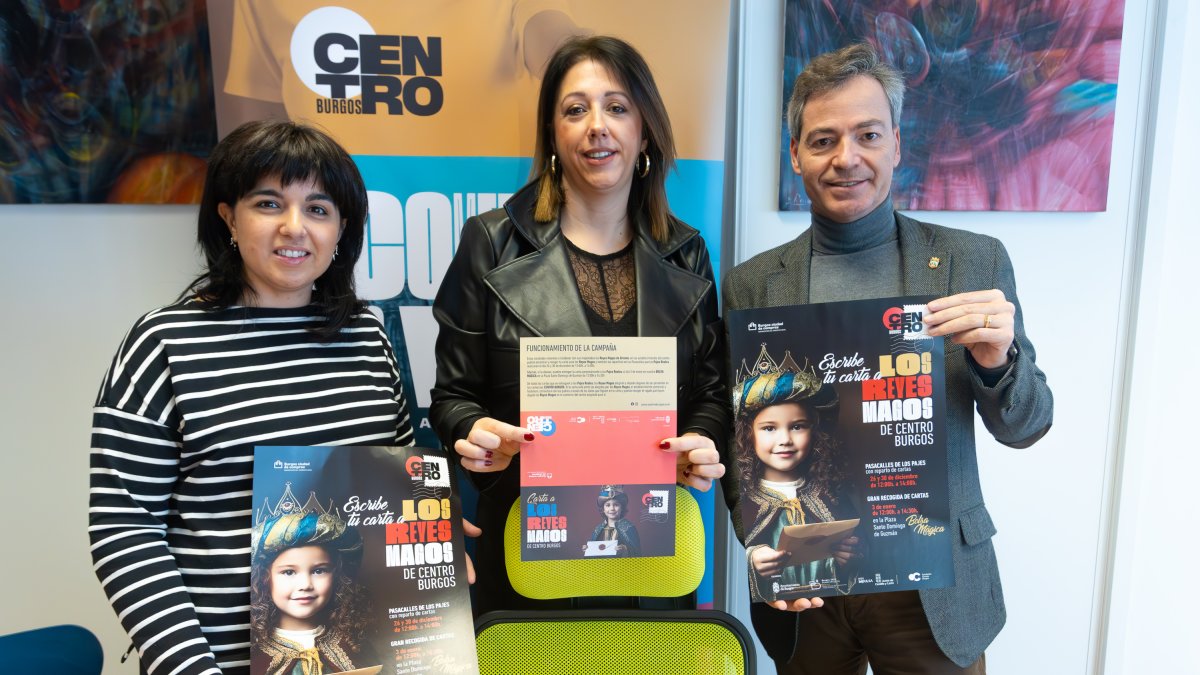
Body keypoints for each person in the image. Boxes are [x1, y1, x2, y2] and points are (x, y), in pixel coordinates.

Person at [722, 43, 1054, 674]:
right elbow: (743, 439)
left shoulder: (971, 263)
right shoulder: (754, 286)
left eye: (867, 134)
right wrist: (759, 539)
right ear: (796, 155)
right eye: (822, 140)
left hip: (934, 589)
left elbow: (1027, 425)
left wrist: (997, 359)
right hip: (810, 574)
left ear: (897, 144)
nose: (846, 158)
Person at [89, 120, 415, 675]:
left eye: (318, 209)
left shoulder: (368, 334)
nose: (294, 228)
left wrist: (435, 538)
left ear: (342, 230)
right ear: (229, 218)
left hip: (363, 659)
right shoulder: (164, 342)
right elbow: (123, 527)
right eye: (269, 203)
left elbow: (397, 482)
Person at [430, 35, 730, 615]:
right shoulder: (489, 243)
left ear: (644, 132)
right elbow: (453, 397)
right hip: (527, 550)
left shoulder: (687, 252)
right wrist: (477, 434)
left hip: (654, 556)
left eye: (617, 107)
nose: (598, 126)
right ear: (551, 135)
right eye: (576, 109)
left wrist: (703, 442)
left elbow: (712, 393)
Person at [732, 346, 860, 603]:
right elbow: (721, 555)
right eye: (769, 428)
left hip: (831, 611)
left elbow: (861, 556)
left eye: (798, 426)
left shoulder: (831, 494)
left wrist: (848, 558)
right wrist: (751, 560)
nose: (785, 440)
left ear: (814, 432)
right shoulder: (740, 500)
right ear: (749, 434)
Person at [249, 512, 377, 674]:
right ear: (264, 578)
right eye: (288, 572)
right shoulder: (255, 655)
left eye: (319, 570)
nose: (305, 585)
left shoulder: (355, 646)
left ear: (337, 576)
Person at [584, 485, 641, 557]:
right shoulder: (598, 529)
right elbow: (594, 553)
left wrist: (625, 550)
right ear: (603, 509)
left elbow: (636, 553)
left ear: (622, 508)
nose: (612, 509)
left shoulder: (629, 528)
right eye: (608, 505)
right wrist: (588, 549)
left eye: (616, 505)